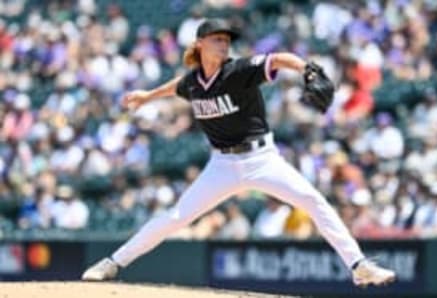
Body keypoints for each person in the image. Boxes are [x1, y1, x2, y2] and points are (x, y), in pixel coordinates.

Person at [82, 19, 395, 287]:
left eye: (226, 39)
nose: (224, 44)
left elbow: (278, 58)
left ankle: (359, 266)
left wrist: (307, 69)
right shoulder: (193, 82)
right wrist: (148, 96)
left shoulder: (239, 70)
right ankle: (112, 262)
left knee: (314, 201)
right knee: (175, 217)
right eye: (217, 39)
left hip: (262, 159)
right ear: (200, 44)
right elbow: (180, 85)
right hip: (222, 166)